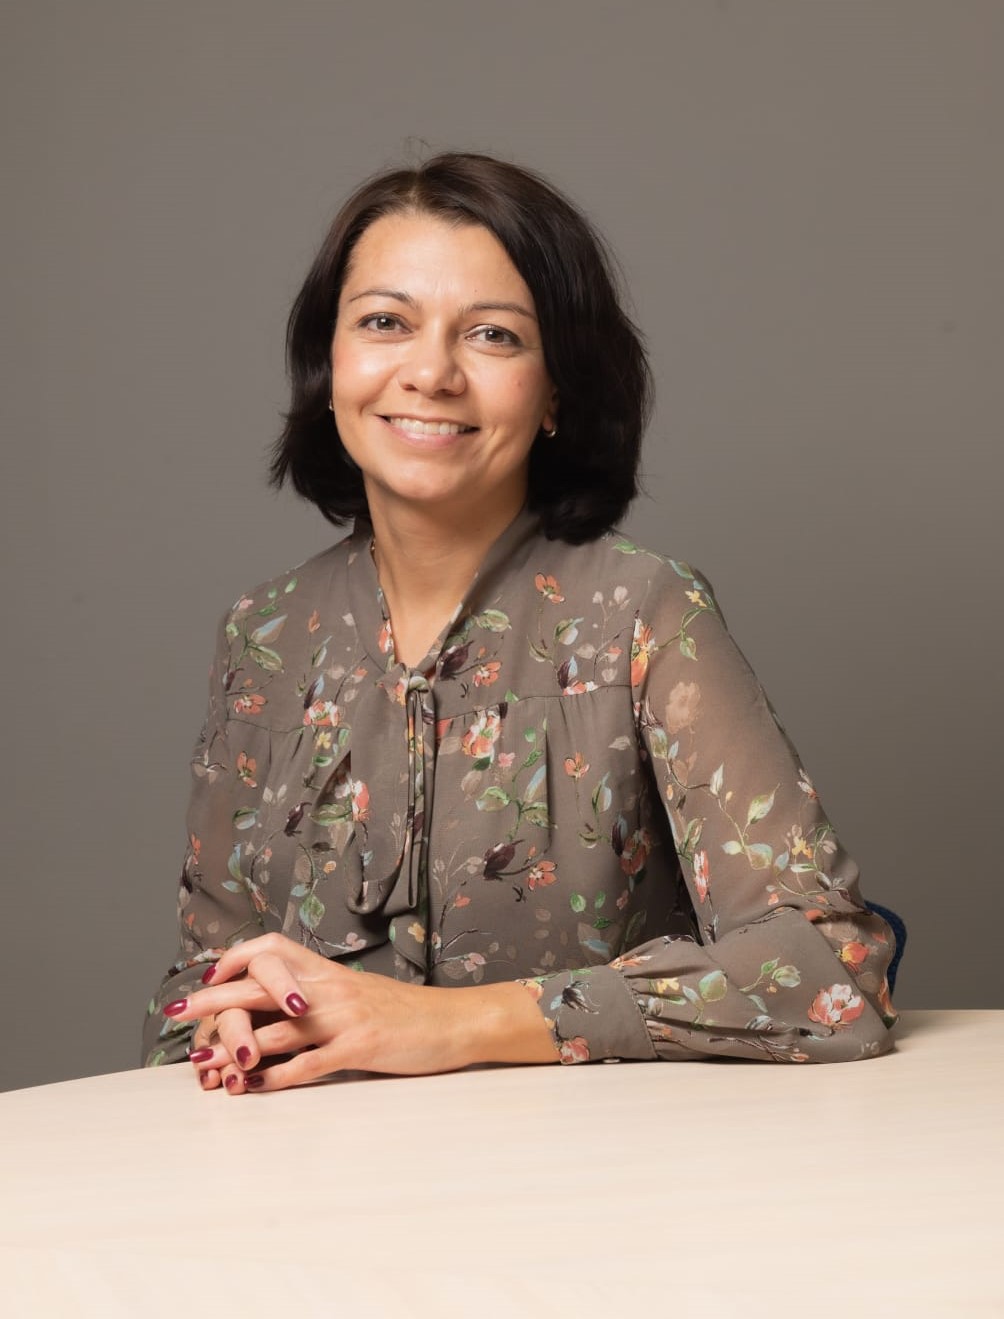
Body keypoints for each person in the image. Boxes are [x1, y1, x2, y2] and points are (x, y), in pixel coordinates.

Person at [142, 152, 897, 1092]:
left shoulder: (642, 612)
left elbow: (832, 972)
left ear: (555, 392)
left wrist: (444, 1025)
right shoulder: (263, 635)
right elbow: (197, 988)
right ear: (328, 364)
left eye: (493, 335)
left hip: (590, 1172)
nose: (431, 372)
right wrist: (229, 1025)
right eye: (385, 322)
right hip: (316, 1172)